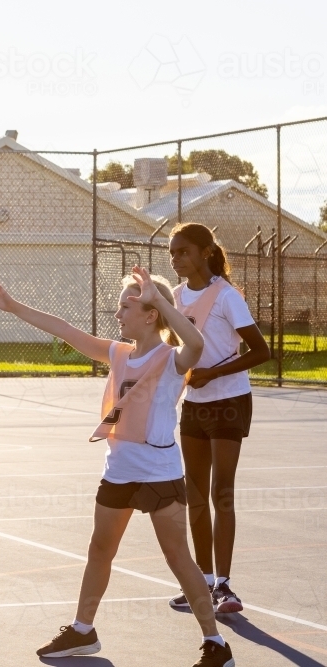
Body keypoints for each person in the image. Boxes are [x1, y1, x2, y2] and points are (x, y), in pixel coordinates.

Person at [0, 267, 234, 667]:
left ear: (151, 314)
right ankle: (83, 631)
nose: (118, 315)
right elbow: (65, 330)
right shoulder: (118, 353)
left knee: (178, 557)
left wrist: (161, 298)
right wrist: (12, 306)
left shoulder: (171, 359)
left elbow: (197, 342)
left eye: (126, 306)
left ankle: (215, 643)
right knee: (100, 550)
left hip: (159, 473)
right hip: (118, 470)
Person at [168, 222, 270, 614]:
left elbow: (261, 352)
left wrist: (214, 373)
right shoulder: (176, 297)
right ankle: (202, 581)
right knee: (194, 494)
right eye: (173, 253)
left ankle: (225, 587)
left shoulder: (227, 297)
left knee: (220, 493)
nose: (177, 259)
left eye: (183, 251)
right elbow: (176, 349)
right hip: (194, 404)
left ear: (205, 252)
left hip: (229, 402)